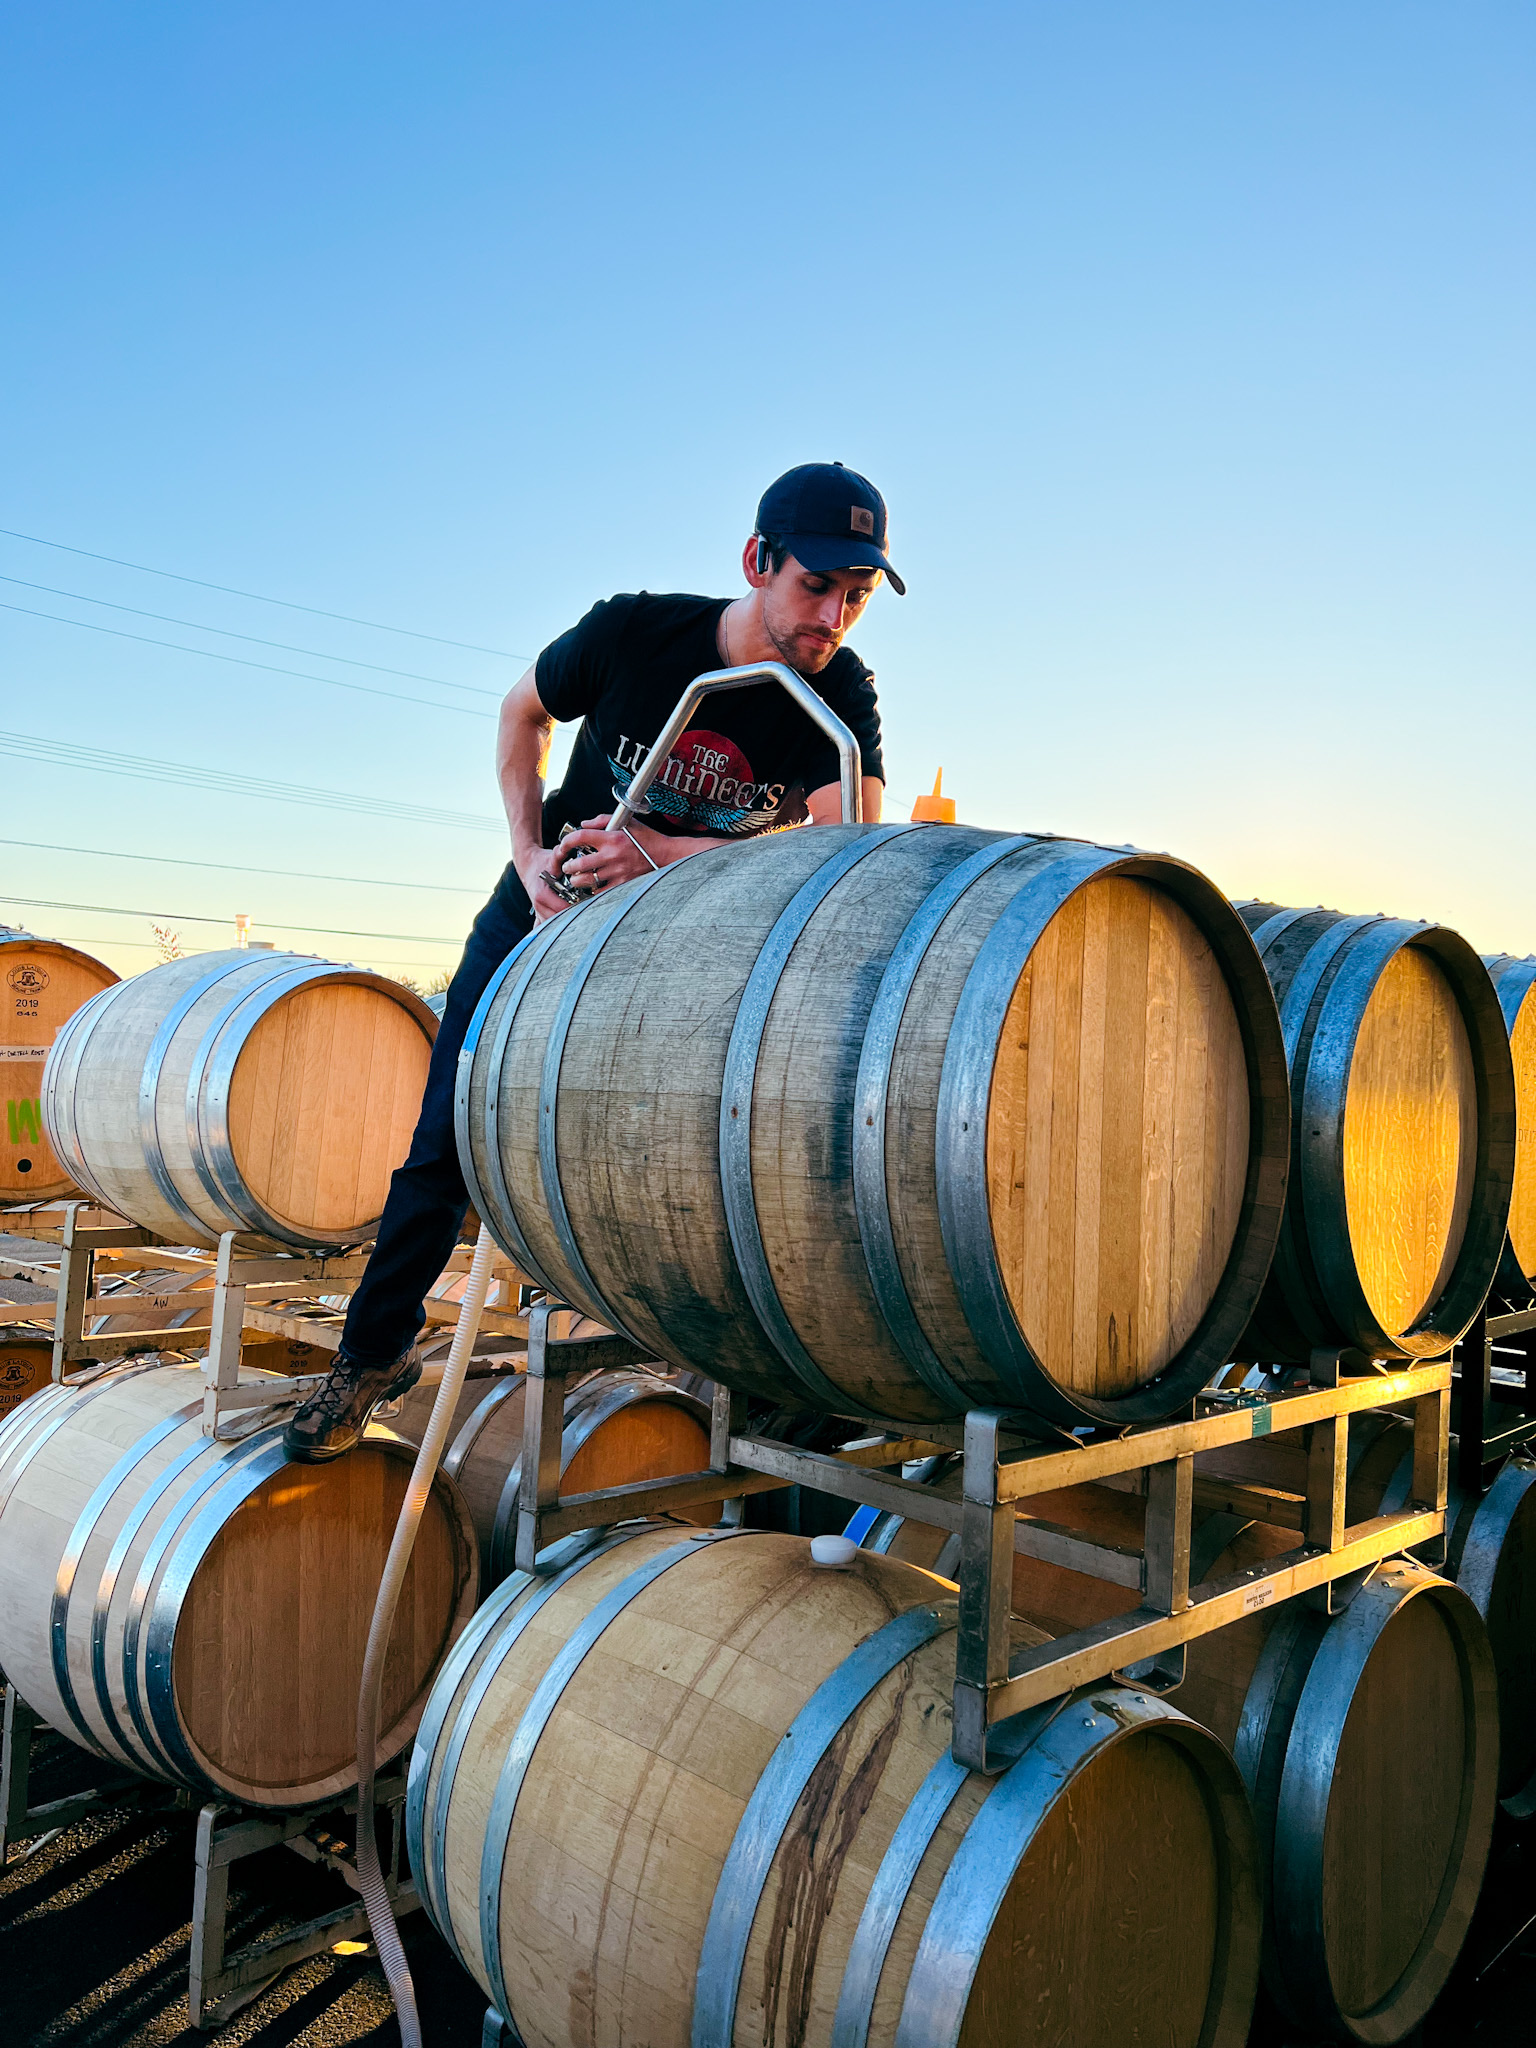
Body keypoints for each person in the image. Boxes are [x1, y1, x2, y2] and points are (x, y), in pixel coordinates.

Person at [283, 460, 902, 1460]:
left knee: (731, 1147)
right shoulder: (634, 633)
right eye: (815, 586)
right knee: (447, 1133)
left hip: (696, 943)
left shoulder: (841, 695)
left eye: (856, 598)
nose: (832, 617)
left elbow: (846, 851)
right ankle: (370, 1354)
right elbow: (518, 714)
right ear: (757, 561)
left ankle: (767, 1374)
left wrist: (663, 854)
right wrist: (530, 854)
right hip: (553, 901)